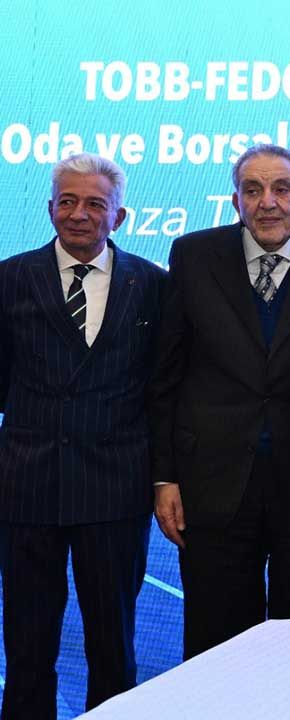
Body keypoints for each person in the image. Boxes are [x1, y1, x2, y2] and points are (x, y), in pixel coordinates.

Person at [147, 144, 290, 658]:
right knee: (215, 648)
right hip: (213, 489)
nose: (268, 202)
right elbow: (166, 375)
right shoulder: (193, 256)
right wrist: (165, 477)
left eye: (282, 189)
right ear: (235, 201)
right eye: (253, 189)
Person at [0, 153, 166, 716]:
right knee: (26, 645)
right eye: (68, 201)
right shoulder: (9, 279)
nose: (79, 214)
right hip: (27, 485)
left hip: (115, 487)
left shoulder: (153, 285)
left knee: (113, 646)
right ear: (50, 208)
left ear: (119, 217)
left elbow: (160, 388)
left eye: (95, 203)